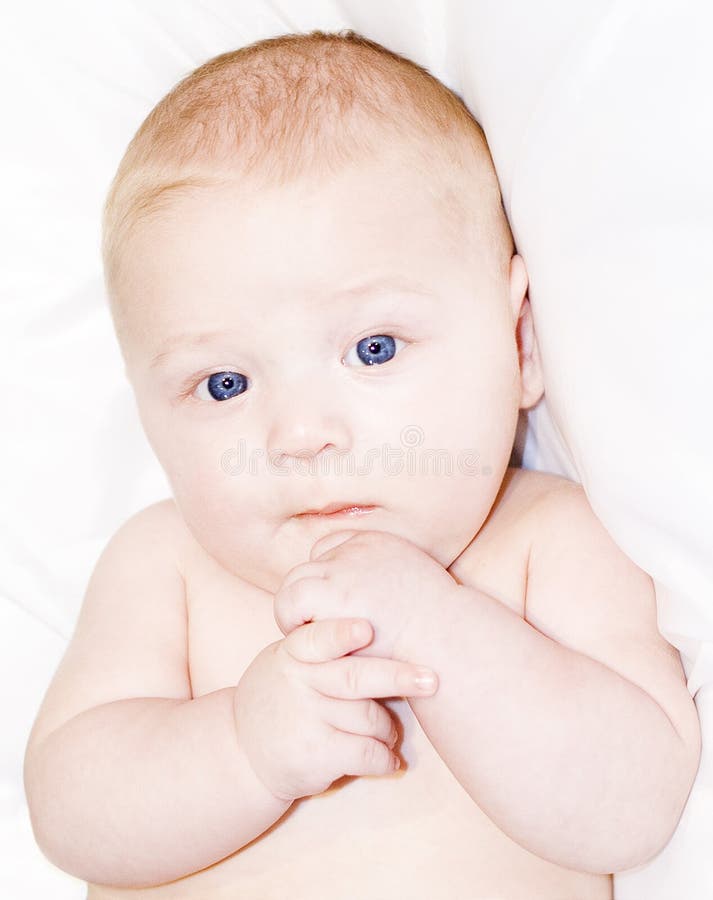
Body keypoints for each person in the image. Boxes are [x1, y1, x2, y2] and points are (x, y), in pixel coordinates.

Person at [24, 30, 700, 900]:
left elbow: (633, 808)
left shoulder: (549, 543)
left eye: (374, 348)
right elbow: (71, 813)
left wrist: (442, 628)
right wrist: (240, 745)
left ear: (519, 340)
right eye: (223, 383)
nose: (302, 433)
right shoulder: (165, 569)